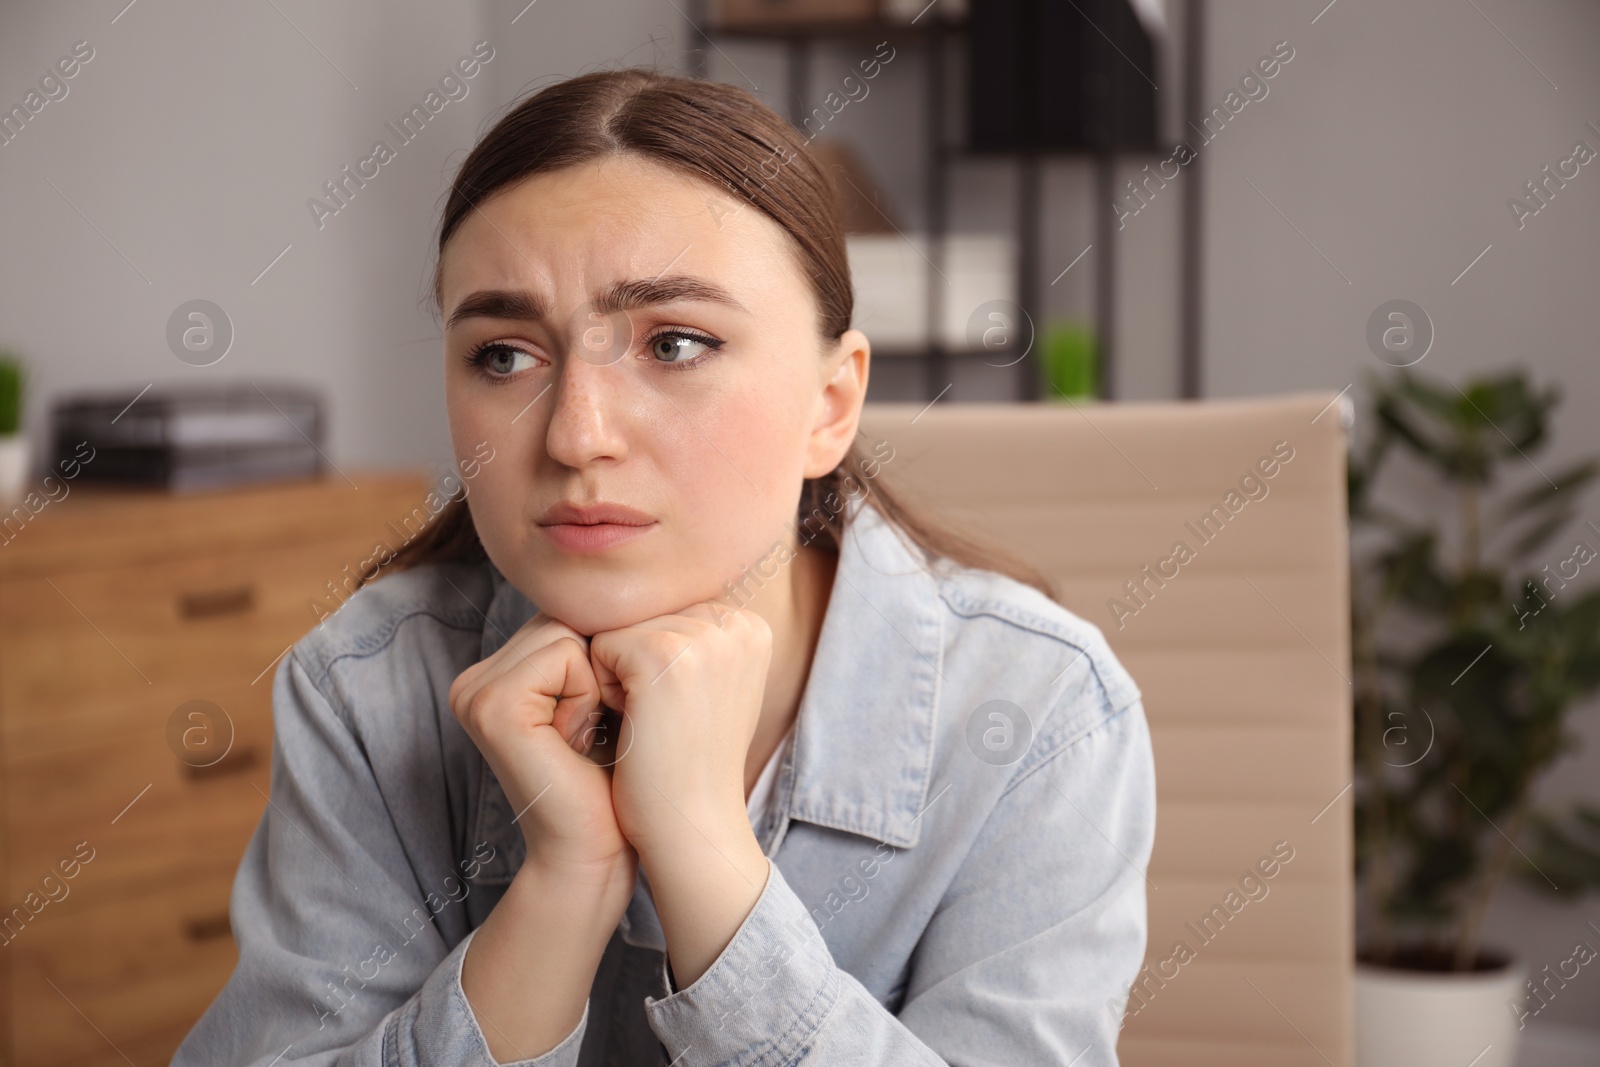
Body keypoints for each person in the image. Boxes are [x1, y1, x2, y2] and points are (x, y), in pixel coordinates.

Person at [172, 66, 1156, 1067]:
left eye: (675, 342)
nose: (575, 434)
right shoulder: (368, 687)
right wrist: (560, 887)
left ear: (830, 401)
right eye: (505, 355)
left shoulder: (1037, 712)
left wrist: (702, 851)